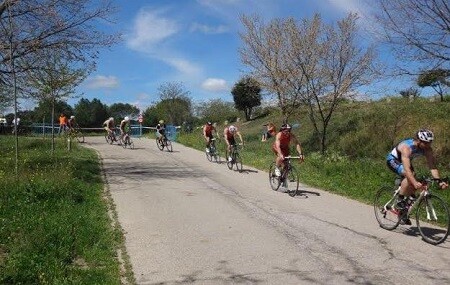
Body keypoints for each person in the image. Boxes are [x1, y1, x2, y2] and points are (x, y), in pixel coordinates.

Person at [386, 129, 448, 225]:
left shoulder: (427, 149)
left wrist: (438, 180)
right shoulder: (406, 147)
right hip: (393, 160)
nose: (428, 145)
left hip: (405, 161)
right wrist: (414, 182)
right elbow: (407, 170)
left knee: (414, 184)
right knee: (410, 176)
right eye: (426, 143)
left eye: (430, 143)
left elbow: (432, 166)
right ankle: (400, 200)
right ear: (419, 141)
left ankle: (403, 212)